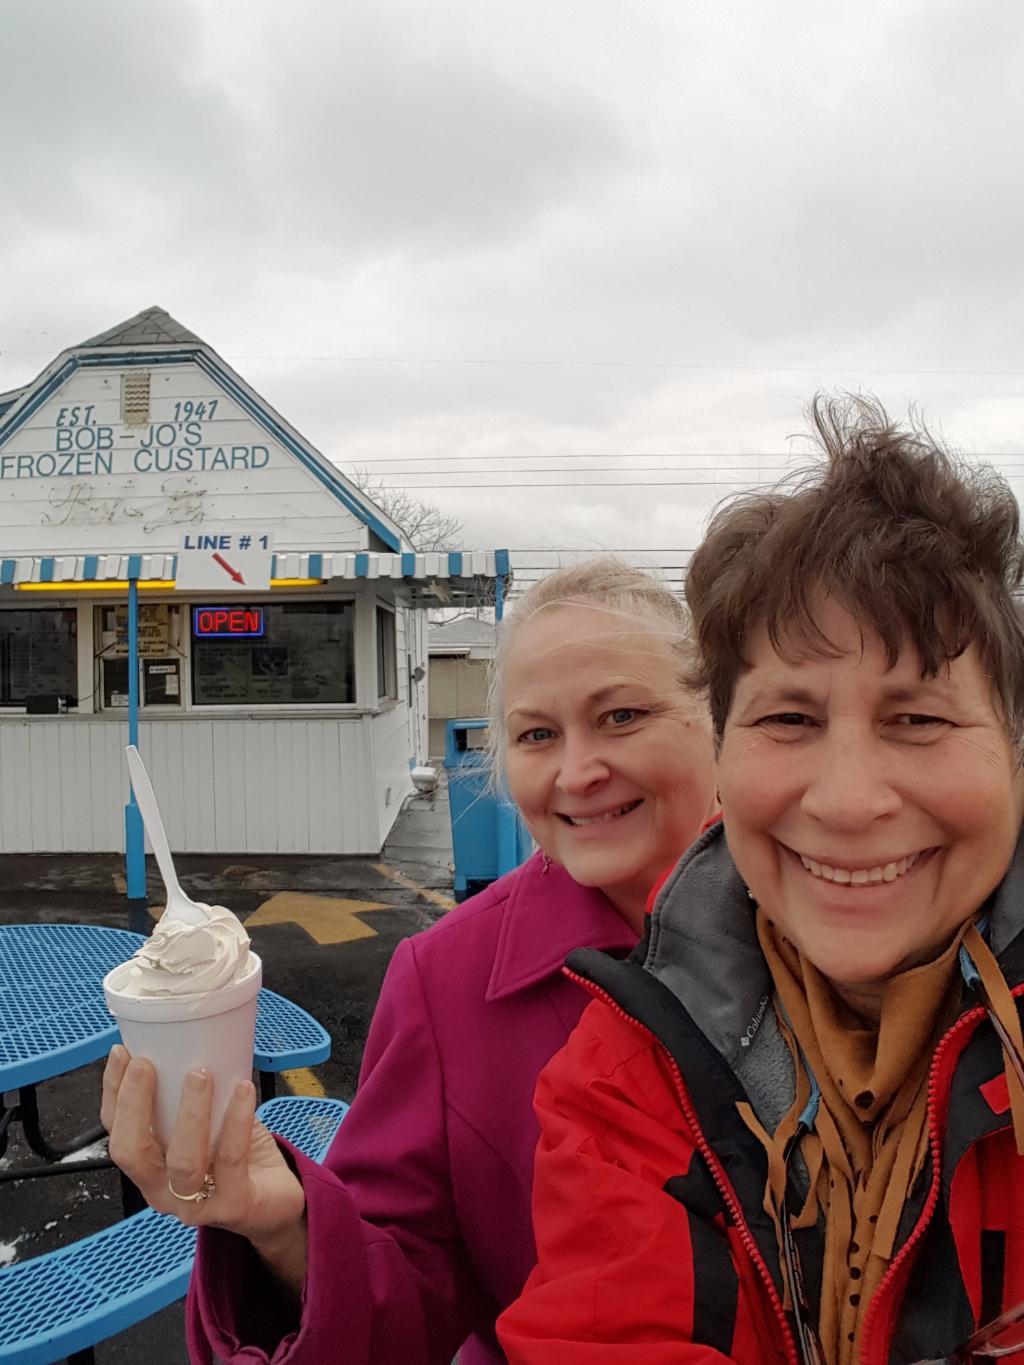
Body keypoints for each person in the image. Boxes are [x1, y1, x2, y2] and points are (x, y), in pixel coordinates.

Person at [498, 398, 1024, 1365]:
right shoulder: (628, 1069)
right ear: (724, 751)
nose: (850, 800)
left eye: (919, 719)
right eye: (788, 719)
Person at [101, 557, 717, 1365]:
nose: (576, 771)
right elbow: (408, 1302)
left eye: (622, 715)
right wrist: (283, 1226)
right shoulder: (449, 979)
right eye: (537, 734)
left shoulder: (836, 919)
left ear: (721, 717)